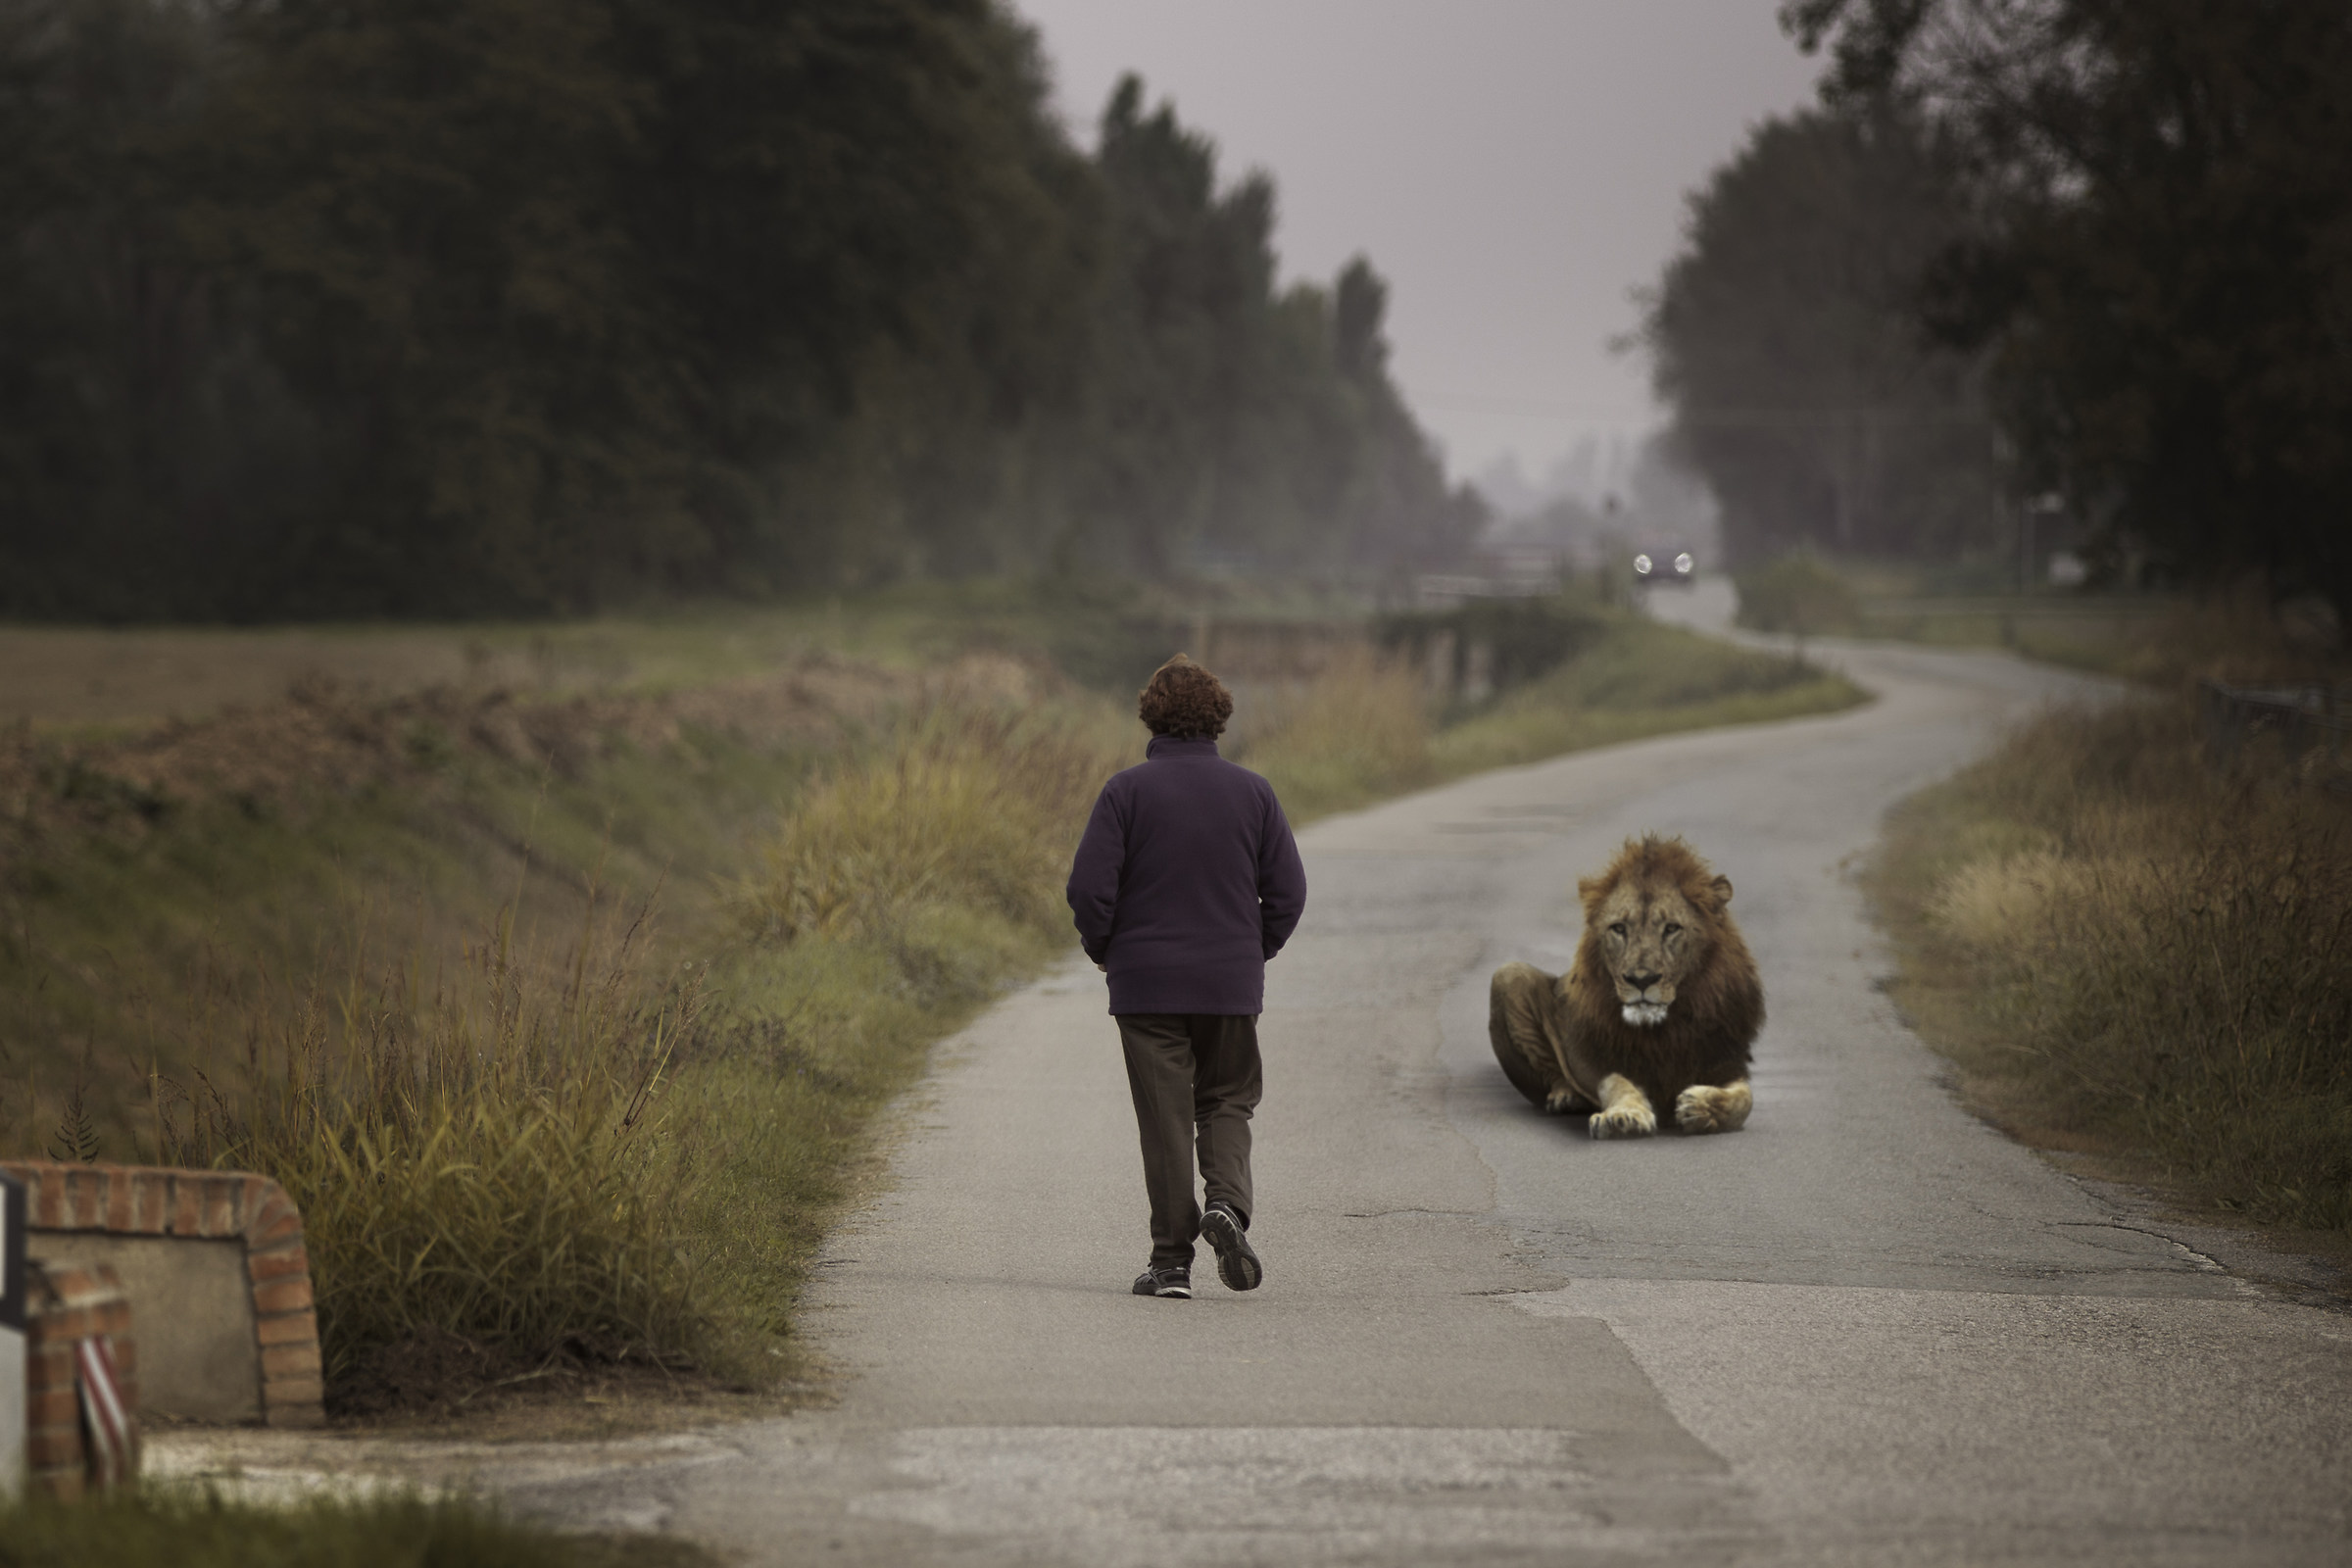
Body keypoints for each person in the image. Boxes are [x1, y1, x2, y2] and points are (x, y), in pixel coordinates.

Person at [1065, 655, 1307, 1299]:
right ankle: (1227, 1204)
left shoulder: (1125, 792)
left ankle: (1172, 1265)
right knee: (1227, 1099)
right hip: (1229, 984)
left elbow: (1088, 889)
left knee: (1166, 1119)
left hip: (1145, 986)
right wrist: (1251, 951)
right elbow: (1288, 893)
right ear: (1218, 718)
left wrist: (1106, 949)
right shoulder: (1254, 793)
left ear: (1151, 715)